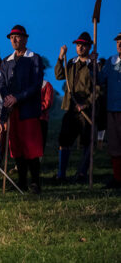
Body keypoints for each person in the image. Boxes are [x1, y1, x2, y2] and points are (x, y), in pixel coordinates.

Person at [0, 25, 44, 194]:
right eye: (12, 38)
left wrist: (18, 97)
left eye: (18, 37)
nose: (15, 40)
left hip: (28, 109)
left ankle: (35, 182)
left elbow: (36, 84)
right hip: (12, 110)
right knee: (15, 146)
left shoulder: (34, 59)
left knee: (31, 147)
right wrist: (8, 99)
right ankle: (21, 182)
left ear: (25, 39)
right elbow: (2, 84)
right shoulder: (6, 61)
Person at [54, 32, 96, 183]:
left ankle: (82, 174)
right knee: (64, 141)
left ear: (89, 47)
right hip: (70, 109)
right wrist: (60, 57)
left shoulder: (93, 65)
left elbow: (97, 89)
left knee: (87, 142)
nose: (80, 47)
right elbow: (59, 75)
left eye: (83, 45)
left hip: (85, 111)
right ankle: (61, 174)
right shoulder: (71, 62)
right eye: (78, 45)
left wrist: (86, 104)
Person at [97, 32, 121, 189]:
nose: (120, 44)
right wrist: (94, 64)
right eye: (118, 41)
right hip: (112, 109)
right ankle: (117, 177)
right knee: (114, 144)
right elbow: (99, 79)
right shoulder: (111, 62)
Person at [40, 79, 54, 155]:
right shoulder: (28, 83)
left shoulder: (46, 85)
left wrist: (35, 108)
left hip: (41, 119)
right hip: (28, 119)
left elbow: (47, 103)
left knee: (40, 143)